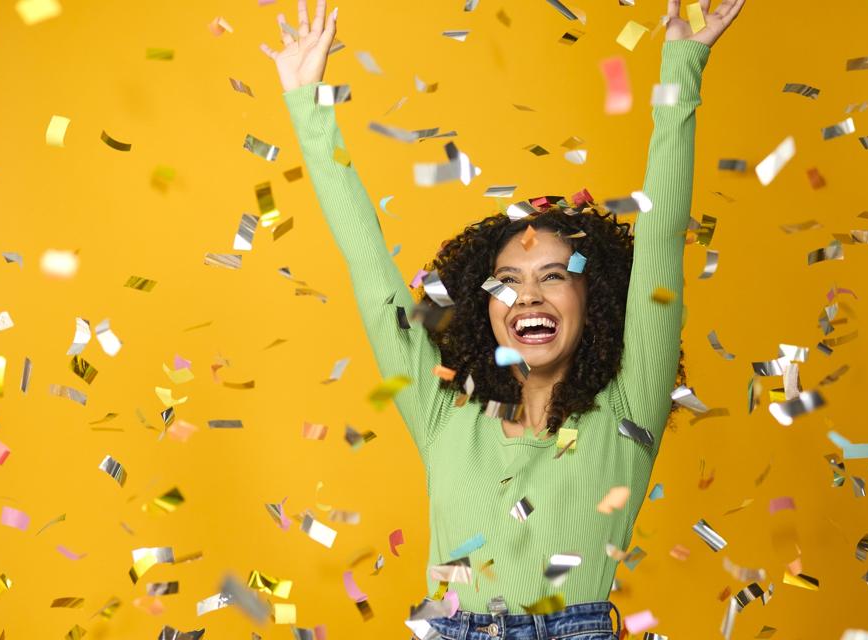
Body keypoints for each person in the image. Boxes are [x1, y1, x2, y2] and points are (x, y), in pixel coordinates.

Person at [262, 0, 746, 637]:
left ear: (593, 298)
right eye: (508, 283)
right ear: (481, 306)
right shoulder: (443, 412)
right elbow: (371, 269)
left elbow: (660, 242)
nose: (530, 297)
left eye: (554, 276)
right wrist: (307, 102)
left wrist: (682, 66)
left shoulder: (628, 403)